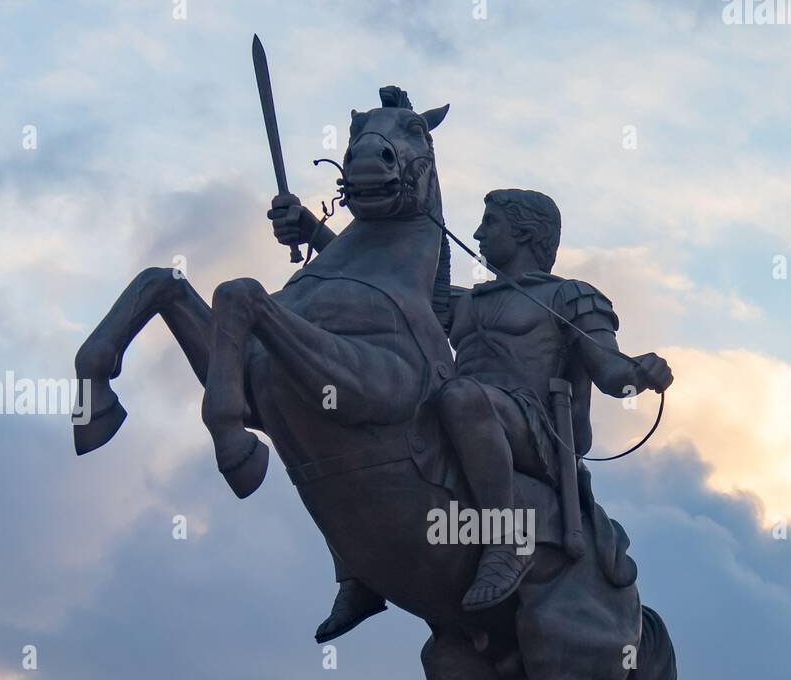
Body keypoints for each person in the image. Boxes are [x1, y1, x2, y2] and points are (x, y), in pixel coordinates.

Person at [272, 188, 673, 632]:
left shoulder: (571, 296)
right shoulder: (469, 302)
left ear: (523, 232)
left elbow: (610, 369)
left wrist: (641, 371)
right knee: (365, 414)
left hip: (534, 430)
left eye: (491, 223)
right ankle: (359, 571)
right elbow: (382, 278)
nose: (479, 234)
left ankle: (506, 540)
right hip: (461, 415)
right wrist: (310, 229)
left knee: (460, 396)